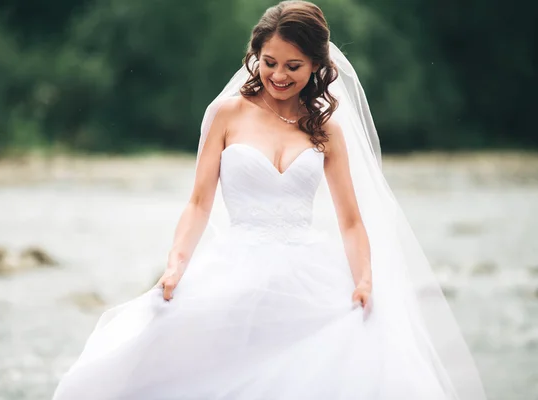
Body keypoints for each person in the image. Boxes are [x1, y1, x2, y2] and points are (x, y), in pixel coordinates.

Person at [52, 1, 487, 399]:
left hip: (306, 275)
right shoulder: (225, 114)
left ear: (317, 64)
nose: (279, 75)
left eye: (294, 65)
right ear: (254, 57)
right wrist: (176, 263)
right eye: (269, 62)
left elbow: (350, 221)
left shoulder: (327, 128)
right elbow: (199, 203)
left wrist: (364, 280)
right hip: (234, 267)